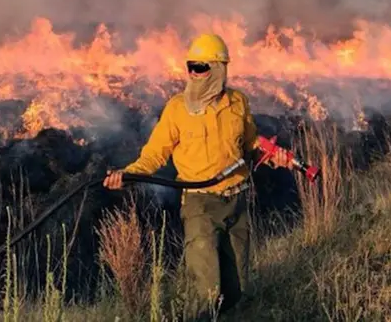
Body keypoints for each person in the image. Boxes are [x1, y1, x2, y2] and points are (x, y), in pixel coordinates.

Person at [104, 32, 293, 318]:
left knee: (236, 289)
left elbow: (251, 147)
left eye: (201, 67)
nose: (194, 74)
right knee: (207, 290)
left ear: (218, 70)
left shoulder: (238, 103)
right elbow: (154, 155)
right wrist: (128, 174)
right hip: (199, 204)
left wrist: (273, 158)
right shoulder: (177, 109)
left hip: (237, 202)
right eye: (191, 66)